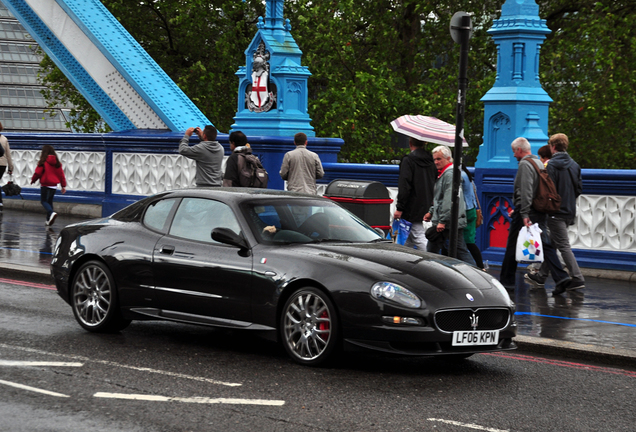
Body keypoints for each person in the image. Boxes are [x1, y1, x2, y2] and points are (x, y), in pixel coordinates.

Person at [499, 137, 571, 293]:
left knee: (512, 245)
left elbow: (526, 190)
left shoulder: (525, 164)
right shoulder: (539, 163)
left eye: (514, 151)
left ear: (519, 150)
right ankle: (561, 276)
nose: (513, 155)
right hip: (540, 209)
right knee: (545, 244)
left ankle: (506, 282)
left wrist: (523, 212)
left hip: (527, 211)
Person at [525, 133, 585, 294]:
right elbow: (579, 189)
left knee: (563, 245)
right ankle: (541, 276)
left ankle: (577, 277)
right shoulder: (575, 165)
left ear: (553, 147)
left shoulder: (550, 166)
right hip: (569, 210)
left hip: (554, 211)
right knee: (550, 244)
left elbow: (546, 189)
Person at [423, 146, 476, 265]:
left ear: (448, 158)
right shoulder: (445, 174)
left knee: (457, 250)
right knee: (437, 249)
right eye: (435, 159)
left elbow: (449, 199)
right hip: (448, 220)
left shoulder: (449, 175)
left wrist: (442, 220)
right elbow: (440, 198)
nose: (436, 162)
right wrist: (431, 211)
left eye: (439, 159)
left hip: (449, 222)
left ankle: (476, 274)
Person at [392, 137, 436, 250]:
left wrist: (400, 207)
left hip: (410, 205)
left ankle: (431, 261)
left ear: (410, 143)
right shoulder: (431, 160)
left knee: (418, 236)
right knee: (408, 237)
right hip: (426, 202)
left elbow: (405, 185)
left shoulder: (408, 160)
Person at [30, 145, 67, 226]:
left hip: (45, 184)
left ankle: (51, 213)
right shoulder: (58, 163)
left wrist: (33, 180)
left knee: (43, 201)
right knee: (49, 202)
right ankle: (48, 220)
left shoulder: (43, 162)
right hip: (54, 185)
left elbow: (37, 173)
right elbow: (61, 174)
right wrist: (63, 186)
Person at [461, 164, 485, 269]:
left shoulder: (459, 176)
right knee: (469, 241)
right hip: (472, 210)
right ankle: (480, 266)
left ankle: (479, 266)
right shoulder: (467, 175)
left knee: (467, 242)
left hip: (465, 211)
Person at [0, 122, 14, 211]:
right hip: (2, 165)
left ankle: (0, 201)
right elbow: (8, 155)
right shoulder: (4, 139)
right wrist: (10, 168)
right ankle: (0, 202)